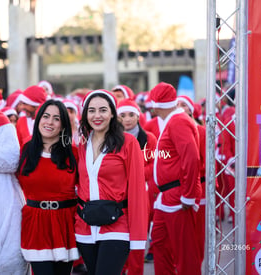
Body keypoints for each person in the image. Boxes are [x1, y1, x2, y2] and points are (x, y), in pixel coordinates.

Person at [75, 89, 148, 275]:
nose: (97, 115)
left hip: (118, 225)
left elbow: (138, 191)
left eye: (102, 110)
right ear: (85, 114)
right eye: (91, 111)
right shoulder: (80, 145)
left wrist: (138, 237)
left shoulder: (129, 143)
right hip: (85, 227)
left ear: (112, 113)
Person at [16, 99, 80, 275]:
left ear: (63, 125)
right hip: (35, 224)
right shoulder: (26, 150)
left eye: (56, 118)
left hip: (65, 224)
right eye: (46, 116)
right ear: (38, 120)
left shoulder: (73, 153)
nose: (49, 122)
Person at [150, 82, 202, 275]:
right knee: (160, 242)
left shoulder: (178, 121)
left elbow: (191, 157)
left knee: (185, 252)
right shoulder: (173, 120)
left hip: (177, 194)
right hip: (167, 196)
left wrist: (188, 195)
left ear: (156, 104)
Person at [117, 98, 157, 274]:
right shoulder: (112, 139)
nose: (127, 119)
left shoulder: (149, 138)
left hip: (142, 194)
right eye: (123, 115)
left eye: (131, 115)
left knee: (138, 240)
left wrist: (134, 174)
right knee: (118, 242)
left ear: (138, 116)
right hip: (117, 197)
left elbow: (154, 165)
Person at [177, 95, 207, 262]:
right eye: (176, 104)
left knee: (197, 233)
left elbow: (205, 162)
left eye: (184, 105)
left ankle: (197, 264)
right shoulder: (169, 129)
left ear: (191, 110)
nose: (180, 107)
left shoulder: (201, 131)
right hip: (177, 190)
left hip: (197, 188)